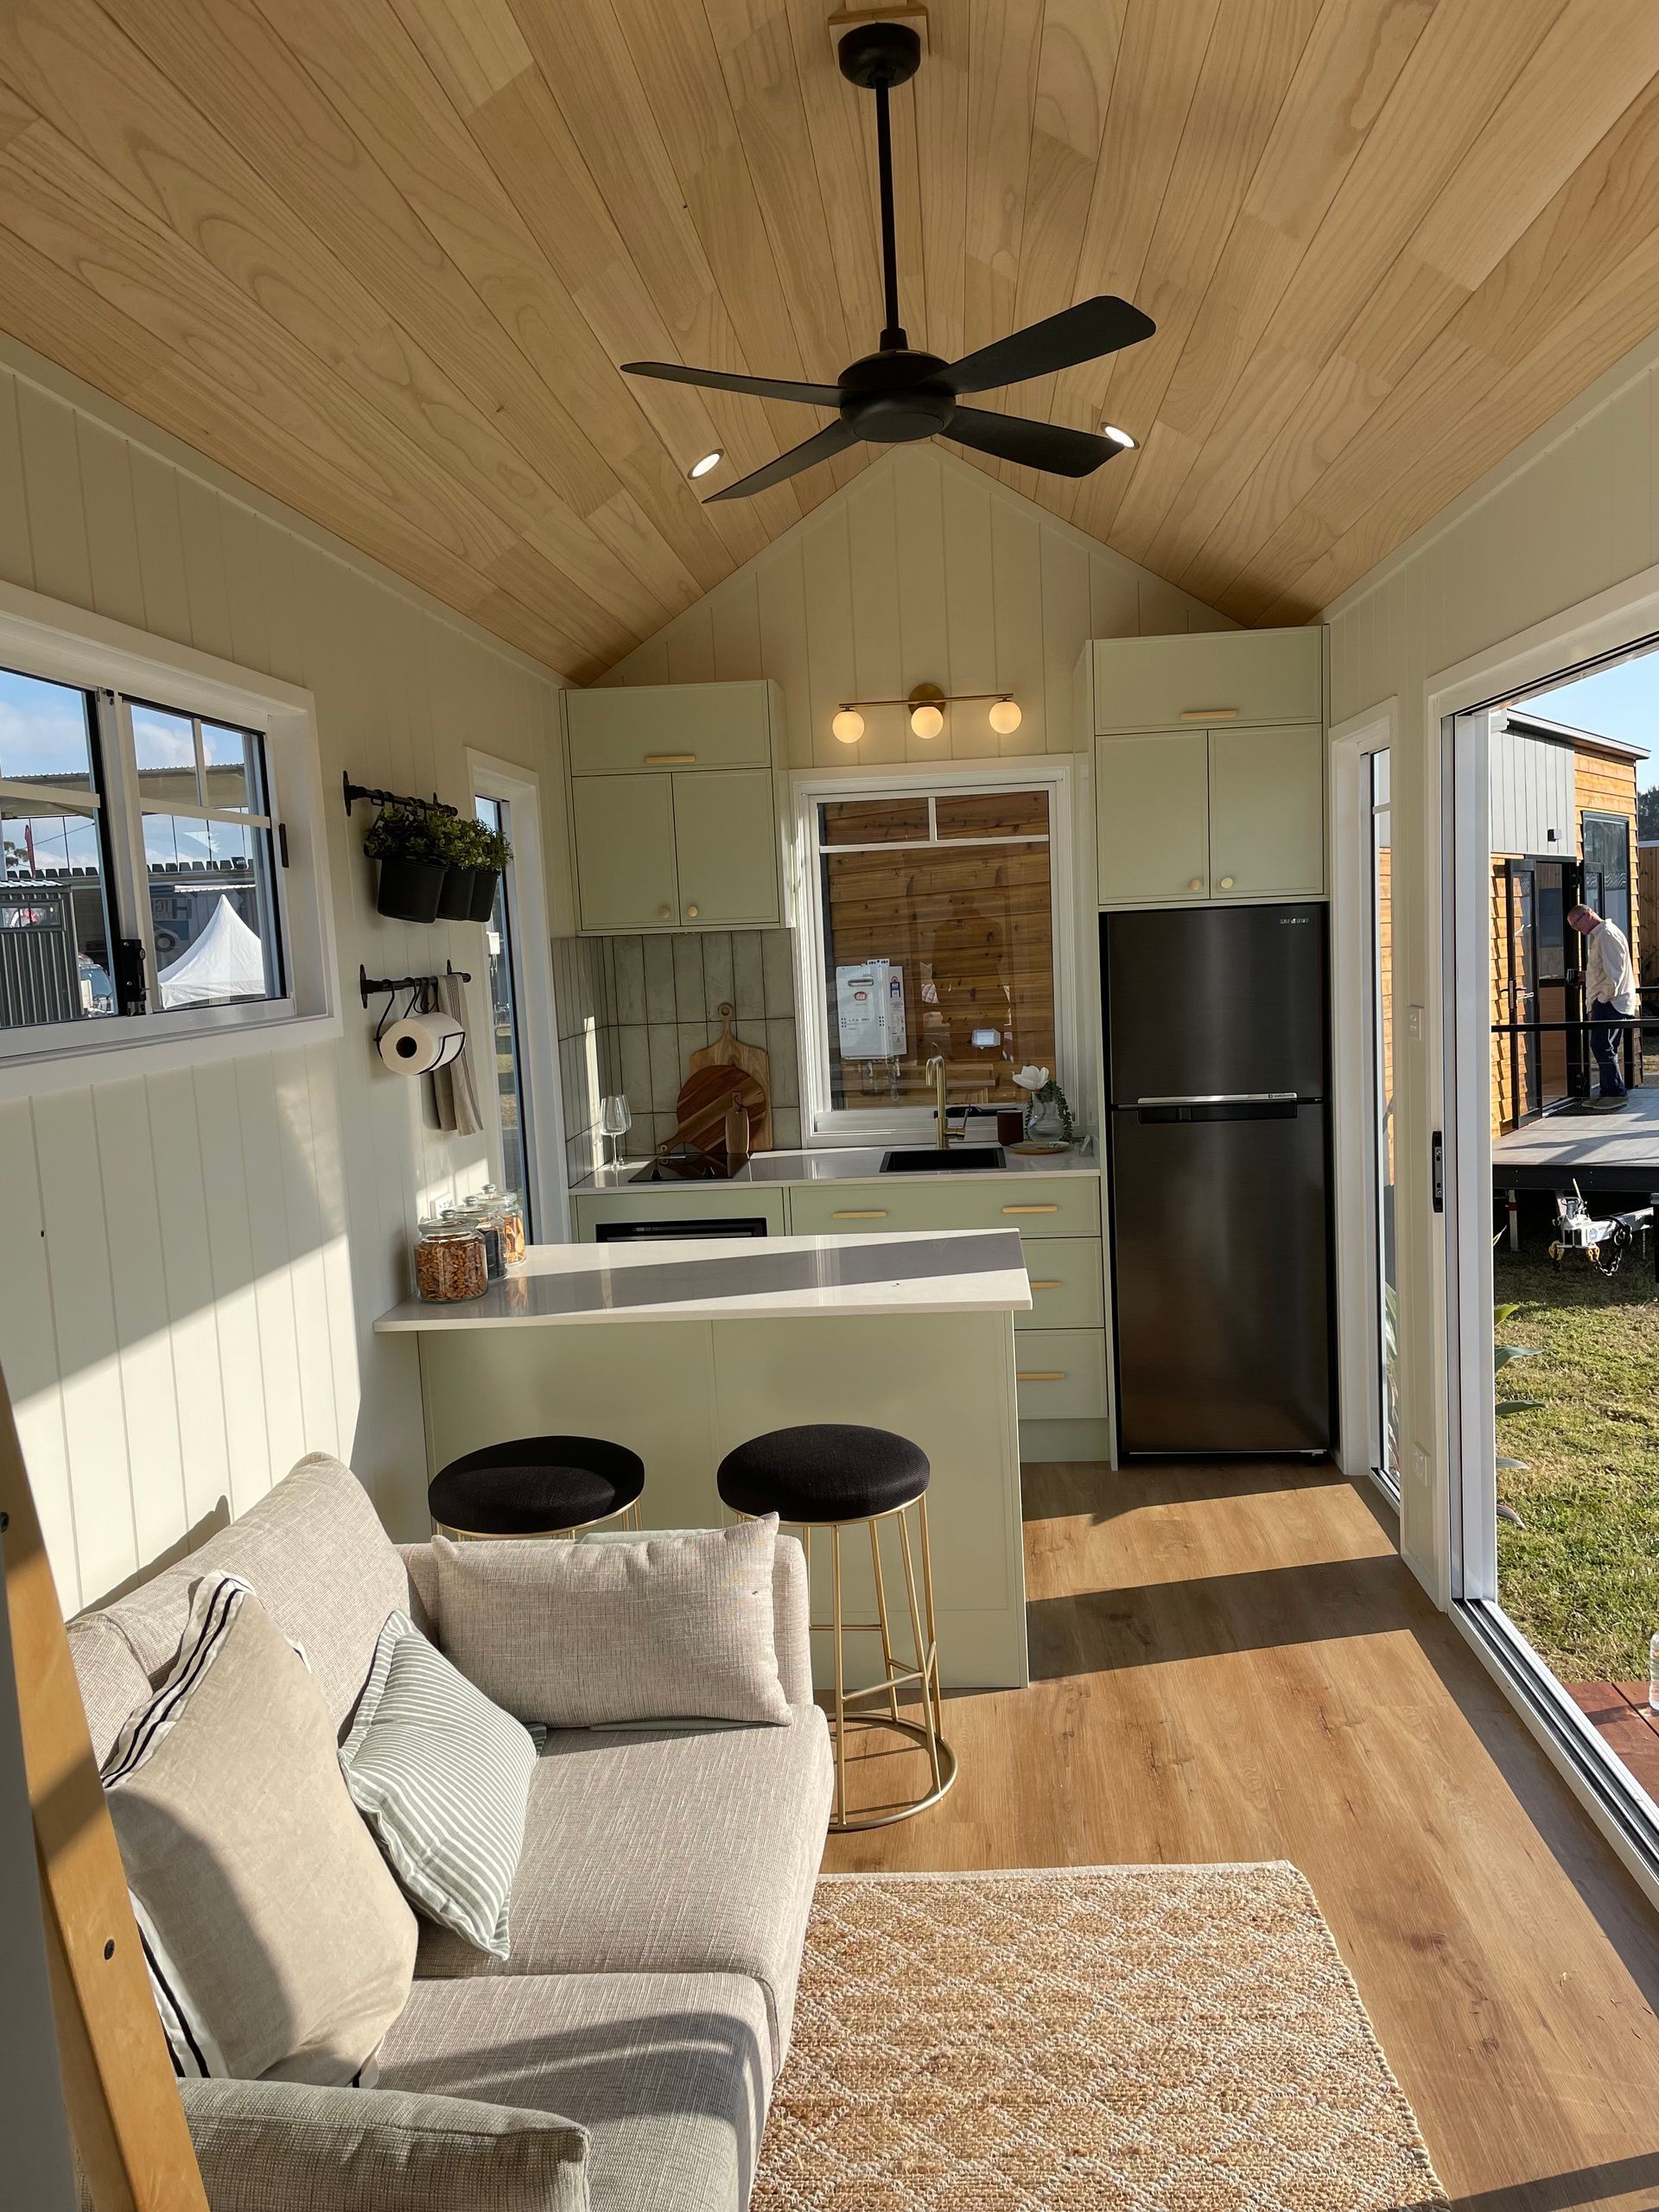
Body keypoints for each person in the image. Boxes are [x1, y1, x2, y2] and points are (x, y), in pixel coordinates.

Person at [1567, 902, 1637, 1108]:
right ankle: (1608, 1091)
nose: (1576, 929)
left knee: (1601, 1045)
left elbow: (1616, 973)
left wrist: (1602, 999)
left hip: (1611, 1002)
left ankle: (1616, 1093)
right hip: (1606, 1000)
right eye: (1572, 927)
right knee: (1605, 1046)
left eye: (1576, 923)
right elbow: (1604, 971)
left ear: (1588, 914)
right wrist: (1585, 977)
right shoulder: (1599, 936)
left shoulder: (1606, 935)